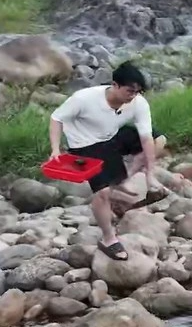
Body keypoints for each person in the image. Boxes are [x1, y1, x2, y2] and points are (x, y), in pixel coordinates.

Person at [48, 62, 168, 262]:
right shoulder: (84, 99)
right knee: (102, 192)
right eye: (130, 91)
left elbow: (146, 138)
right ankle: (108, 238)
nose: (133, 96)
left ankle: (123, 180)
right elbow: (56, 118)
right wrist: (54, 149)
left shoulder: (138, 102)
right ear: (115, 85)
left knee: (158, 141)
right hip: (84, 145)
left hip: (111, 137)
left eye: (138, 92)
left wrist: (150, 175)